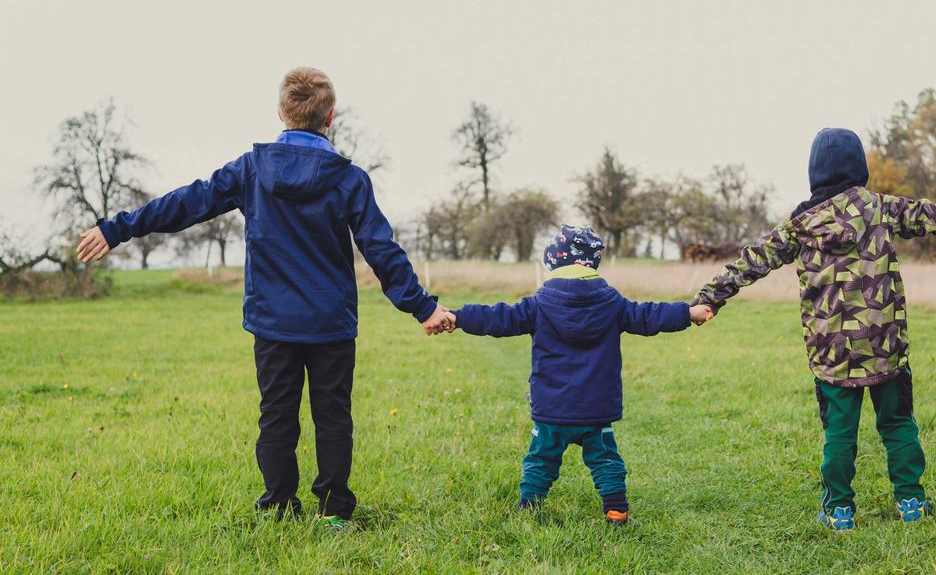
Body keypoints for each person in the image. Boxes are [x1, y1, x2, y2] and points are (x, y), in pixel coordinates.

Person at [75, 67, 454, 530]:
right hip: (331, 323)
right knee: (333, 415)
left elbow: (187, 202)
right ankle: (334, 512)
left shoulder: (252, 170)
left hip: (273, 323)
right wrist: (423, 307)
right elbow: (381, 249)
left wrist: (117, 228)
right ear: (330, 116)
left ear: (280, 112)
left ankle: (278, 504)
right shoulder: (350, 179)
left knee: (276, 416)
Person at [691, 128, 936, 530]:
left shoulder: (799, 225)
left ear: (814, 173)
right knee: (897, 425)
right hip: (885, 345)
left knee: (839, 434)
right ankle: (910, 501)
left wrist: (710, 298)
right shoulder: (880, 208)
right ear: (860, 167)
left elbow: (751, 261)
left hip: (832, 355)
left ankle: (839, 510)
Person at [441, 225, 714, 525]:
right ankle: (616, 510)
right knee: (606, 460)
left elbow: (497, 317)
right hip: (595, 410)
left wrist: (459, 316)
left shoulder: (538, 304)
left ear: (554, 264)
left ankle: (528, 507)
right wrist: (688, 313)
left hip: (552, 410)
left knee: (541, 459)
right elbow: (649, 315)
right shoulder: (613, 304)